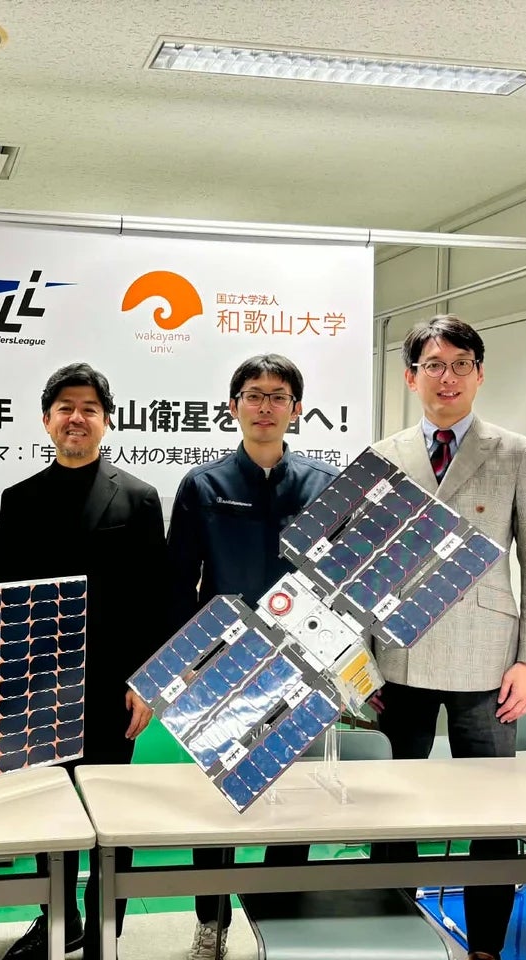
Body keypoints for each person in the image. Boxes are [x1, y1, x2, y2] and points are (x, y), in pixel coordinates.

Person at [371, 315, 526, 960]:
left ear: (479, 374)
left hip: (490, 658)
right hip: (400, 652)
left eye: (459, 364)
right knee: (393, 806)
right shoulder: (385, 455)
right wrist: (361, 660)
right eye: (432, 365)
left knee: (493, 811)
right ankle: (392, 935)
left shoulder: (517, 453)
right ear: (410, 377)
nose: (445, 377)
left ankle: (486, 948)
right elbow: (365, 565)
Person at [166, 354, 339, 960]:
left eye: (278, 396)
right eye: (254, 395)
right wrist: (186, 665)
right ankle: (210, 923)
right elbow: (178, 582)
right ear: (233, 406)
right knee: (217, 803)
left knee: (294, 805)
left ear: (297, 408)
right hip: (224, 667)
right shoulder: (203, 485)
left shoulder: (324, 485)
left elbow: (340, 582)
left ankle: (280, 919)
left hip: (302, 665)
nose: (266, 407)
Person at [0, 363, 167, 960]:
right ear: (46, 420)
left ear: (106, 421)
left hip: (113, 684)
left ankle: (104, 926)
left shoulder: (139, 498)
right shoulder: (17, 500)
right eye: (65, 407)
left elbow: (155, 597)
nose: (77, 417)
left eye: (90, 408)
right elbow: (6, 600)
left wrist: (147, 681)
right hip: (40, 685)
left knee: (112, 808)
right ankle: (58, 919)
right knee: (50, 810)